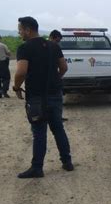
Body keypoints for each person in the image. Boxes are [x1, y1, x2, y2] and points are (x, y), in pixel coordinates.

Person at [13, 16, 74, 178]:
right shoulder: (54, 46)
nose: (19, 33)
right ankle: (67, 162)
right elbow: (64, 67)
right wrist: (56, 80)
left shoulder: (24, 48)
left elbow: (21, 72)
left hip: (36, 96)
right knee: (58, 128)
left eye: (20, 30)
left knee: (39, 131)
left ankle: (37, 168)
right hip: (55, 93)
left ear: (28, 29)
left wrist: (16, 87)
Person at [49, 29, 68, 122]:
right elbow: (64, 67)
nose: (58, 43)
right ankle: (57, 117)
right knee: (57, 99)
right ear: (52, 37)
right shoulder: (55, 47)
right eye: (57, 40)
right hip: (54, 79)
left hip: (44, 79)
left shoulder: (39, 47)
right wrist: (59, 76)